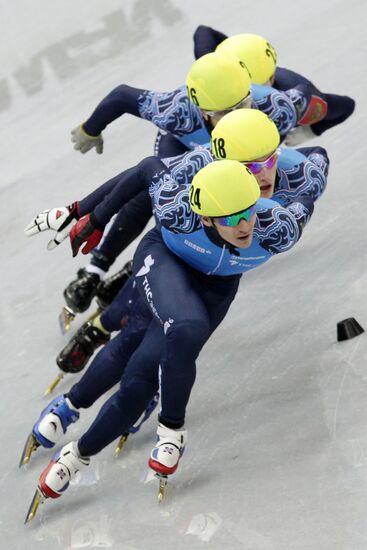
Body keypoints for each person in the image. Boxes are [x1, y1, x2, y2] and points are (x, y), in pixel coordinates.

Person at [25, 156, 317, 517]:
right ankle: (167, 428)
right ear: (206, 217)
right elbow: (147, 166)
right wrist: (89, 214)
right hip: (165, 258)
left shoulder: (278, 228)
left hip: (214, 288)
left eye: (248, 212)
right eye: (230, 218)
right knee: (163, 327)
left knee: (142, 379)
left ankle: (75, 456)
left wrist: (303, 163)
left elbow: (315, 171)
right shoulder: (177, 209)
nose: (244, 226)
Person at [51, 108, 329, 379]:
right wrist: (84, 216)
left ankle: (119, 298)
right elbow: (137, 176)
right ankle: (103, 314)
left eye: (269, 162)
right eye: (251, 167)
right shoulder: (198, 160)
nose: (263, 174)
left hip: (225, 240)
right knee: (155, 272)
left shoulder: (291, 164)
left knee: (184, 311)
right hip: (194, 216)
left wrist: (309, 172)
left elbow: (318, 153)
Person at [61, 50, 310, 323]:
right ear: (200, 111)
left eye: (243, 105)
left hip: (232, 164)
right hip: (187, 152)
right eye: (224, 112)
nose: (234, 117)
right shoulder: (177, 110)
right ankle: (96, 268)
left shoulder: (275, 108)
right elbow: (121, 97)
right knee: (155, 196)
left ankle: (134, 269)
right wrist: (90, 129)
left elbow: (316, 98)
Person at [193, 26, 355, 145]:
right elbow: (203, 31)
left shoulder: (299, 101)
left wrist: (311, 131)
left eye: (249, 93)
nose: (236, 103)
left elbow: (346, 106)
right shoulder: (214, 68)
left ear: (272, 79)